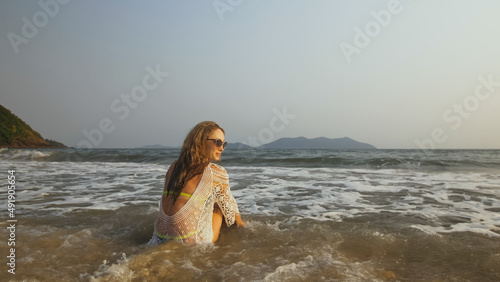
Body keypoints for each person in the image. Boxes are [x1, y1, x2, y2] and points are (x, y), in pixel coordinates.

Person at [148, 121, 245, 244]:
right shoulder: (216, 172)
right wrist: (242, 225)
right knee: (218, 207)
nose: (221, 148)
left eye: (224, 144)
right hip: (190, 240)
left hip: (159, 237)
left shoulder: (173, 167)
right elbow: (231, 210)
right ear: (200, 142)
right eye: (218, 142)